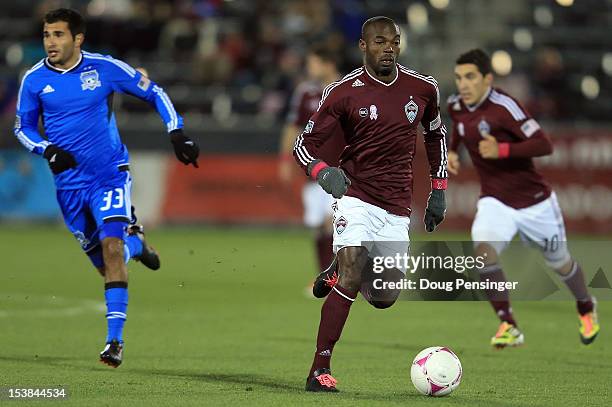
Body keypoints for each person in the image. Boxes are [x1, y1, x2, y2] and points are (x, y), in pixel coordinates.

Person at [14, 8, 199, 367]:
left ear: (77, 38)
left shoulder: (104, 68)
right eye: (47, 35)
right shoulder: (34, 80)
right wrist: (46, 149)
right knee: (107, 264)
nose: (50, 42)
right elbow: (23, 127)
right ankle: (137, 244)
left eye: (58, 35)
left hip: (109, 175)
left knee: (111, 249)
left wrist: (176, 131)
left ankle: (114, 343)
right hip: (68, 185)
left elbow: (155, 92)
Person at [293, 16, 447, 392]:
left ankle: (335, 267)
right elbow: (304, 146)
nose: (388, 48)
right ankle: (319, 370)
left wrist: (438, 189)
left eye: (394, 41)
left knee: (383, 296)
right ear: (363, 46)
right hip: (355, 196)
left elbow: (435, 134)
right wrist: (322, 172)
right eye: (379, 42)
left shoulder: (423, 89)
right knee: (352, 272)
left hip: (397, 207)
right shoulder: (343, 92)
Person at [447, 49, 599, 348]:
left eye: (470, 77)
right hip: (495, 201)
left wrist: (502, 150)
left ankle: (585, 305)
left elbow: (544, 144)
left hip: (535, 203)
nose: (463, 84)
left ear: (487, 79)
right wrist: (453, 151)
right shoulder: (455, 105)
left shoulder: (505, 107)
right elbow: (459, 131)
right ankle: (508, 323)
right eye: (458, 77)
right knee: (482, 252)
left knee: (560, 263)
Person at [278, 45, 344, 290]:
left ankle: (336, 278)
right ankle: (324, 274)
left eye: (313, 63)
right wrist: (286, 160)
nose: (310, 68)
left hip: (341, 171)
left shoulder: (347, 89)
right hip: (313, 171)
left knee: (334, 223)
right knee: (318, 227)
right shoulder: (305, 93)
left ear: (328, 63)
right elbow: (292, 127)